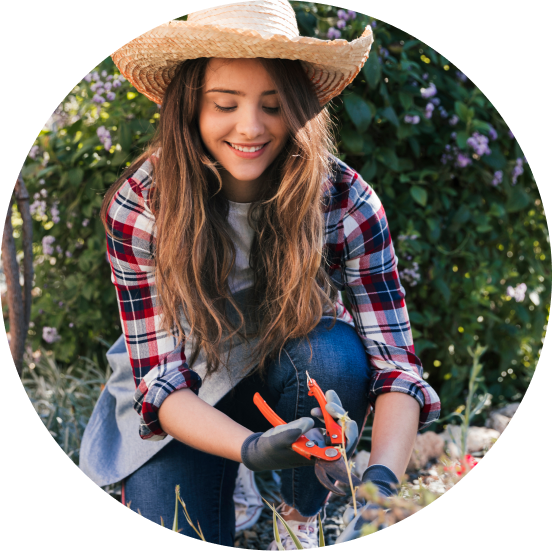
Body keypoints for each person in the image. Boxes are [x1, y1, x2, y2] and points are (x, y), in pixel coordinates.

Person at [83, 1, 441, 548]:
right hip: (188, 388)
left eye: (273, 106)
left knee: (337, 355)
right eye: (225, 104)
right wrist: (252, 447)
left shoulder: (344, 200)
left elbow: (397, 367)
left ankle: (299, 515)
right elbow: (160, 382)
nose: (250, 127)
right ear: (189, 109)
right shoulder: (142, 206)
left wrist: (381, 488)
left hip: (292, 360)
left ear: (299, 108)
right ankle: (246, 479)